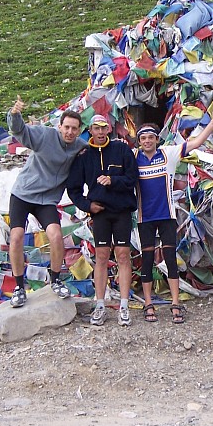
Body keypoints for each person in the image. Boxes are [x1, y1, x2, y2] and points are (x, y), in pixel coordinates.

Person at [134, 107, 213, 324]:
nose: (147, 141)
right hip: (144, 218)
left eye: (151, 138)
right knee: (146, 262)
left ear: (157, 139)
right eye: (143, 138)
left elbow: (195, 143)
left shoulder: (168, 153)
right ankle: (148, 304)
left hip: (167, 216)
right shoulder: (133, 157)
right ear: (139, 141)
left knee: (170, 260)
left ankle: (175, 303)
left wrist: (212, 123)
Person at [6, 95, 87, 308]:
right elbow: (20, 131)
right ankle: (18, 287)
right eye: (66, 127)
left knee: (56, 235)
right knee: (16, 236)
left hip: (47, 200)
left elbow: (100, 152)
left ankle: (56, 279)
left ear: (79, 130)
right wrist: (15, 114)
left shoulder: (80, 146)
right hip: (23, 194)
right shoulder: (44, 136)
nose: (70, 132)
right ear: (59, 127)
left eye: (74, 128)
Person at [67, 114, 139, 326]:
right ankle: (100, 305)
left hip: (122, 210)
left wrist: (112, 180)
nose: (100, 132)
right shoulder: (84, 156)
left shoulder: (122, 149)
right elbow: (73, 188)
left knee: (123, 254)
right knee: (101, 256)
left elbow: (132, 178)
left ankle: (124, 305)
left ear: (109, 129)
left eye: (103, 128)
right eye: (95, 128)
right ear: (90, 130)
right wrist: (87, 206)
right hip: (100, 212)